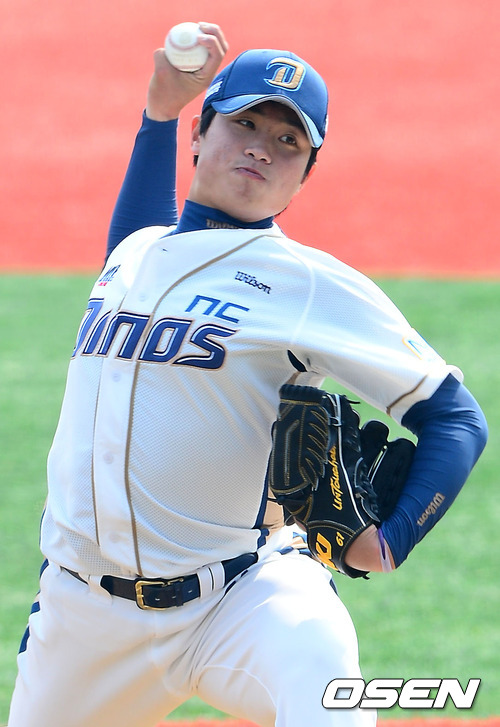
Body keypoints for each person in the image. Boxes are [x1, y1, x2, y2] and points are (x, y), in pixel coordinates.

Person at [8, 22, 487, 727]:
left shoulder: (309, 285)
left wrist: (390, 542)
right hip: (83, 616)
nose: (263, 146)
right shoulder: (136, 255)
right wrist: (159, 112)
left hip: (242, 596)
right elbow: (143, 248)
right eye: (245, 123)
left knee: (328, 689)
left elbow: (456, 417)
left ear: (305, 175)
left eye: (289, 140)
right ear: (201, 133)